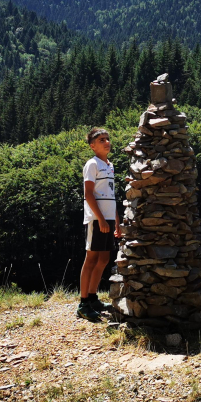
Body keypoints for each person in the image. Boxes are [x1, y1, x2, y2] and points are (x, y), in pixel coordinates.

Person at [78, 127, 121, 321]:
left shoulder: (110, 166)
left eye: (107, 139)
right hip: (96, 220)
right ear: (92, 146)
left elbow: (111, 196)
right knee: (91, 259)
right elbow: (88, 194)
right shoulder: (92, 164)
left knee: (104, 259)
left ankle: (93, 297)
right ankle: (83, 303)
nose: (106, 142)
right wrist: (101, 219)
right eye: (101, 140)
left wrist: (116, 222)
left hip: (109, 219)